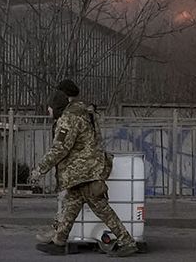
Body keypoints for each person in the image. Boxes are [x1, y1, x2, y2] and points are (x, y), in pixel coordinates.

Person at [30, 79, 136, 257]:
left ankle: (127, 241)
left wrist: (39, 169)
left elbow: (60, 149)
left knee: (101, 208)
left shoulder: (69, 118)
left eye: (49, 107)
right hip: (88, 168)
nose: (47, 110)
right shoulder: (85, 112)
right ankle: (59, 241)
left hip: (83, 171)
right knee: (72, 204)